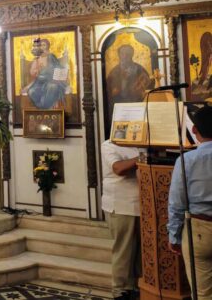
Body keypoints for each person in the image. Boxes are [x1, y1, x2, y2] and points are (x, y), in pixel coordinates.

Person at [168, 105, 212, 300]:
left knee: (203, 293)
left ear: (194, 130)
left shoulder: (187, 160)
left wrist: (174, 236)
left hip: (199, 229)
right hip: (199, 228)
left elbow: (177, 202)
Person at [101, 139, 141, 300]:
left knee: (140, 252)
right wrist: (141, 158)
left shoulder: (141, 144)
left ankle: (137, 285)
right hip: (121, 204)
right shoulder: (109, 145)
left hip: (142, 205)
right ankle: (120, 289)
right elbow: (118, 168)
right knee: (124, 249)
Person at [106, 44, 153, 119]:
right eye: (122, 54)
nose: (125, 56)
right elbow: (109, 92)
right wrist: (122, 82)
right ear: (119, 55)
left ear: (132, 55)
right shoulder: (114, 72)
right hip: (120, 108)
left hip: (138, 106)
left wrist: (139, 88)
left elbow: (148, 87)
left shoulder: (139, 69)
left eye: (128, 54)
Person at [24, 39, 68, 110]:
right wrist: (37, 70)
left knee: (52, 87)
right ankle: (43, 107)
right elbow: (33, 72)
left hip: (51, 80)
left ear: (48, 46)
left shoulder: (51, 56)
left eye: (44, 45)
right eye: (41, 45)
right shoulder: (37, 58)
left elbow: (58, 68)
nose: (42, 47)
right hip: (39, 82)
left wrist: (52, 73)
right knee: (31, 91)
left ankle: (45, 107)